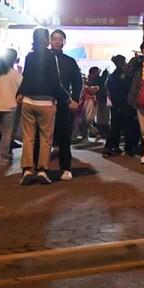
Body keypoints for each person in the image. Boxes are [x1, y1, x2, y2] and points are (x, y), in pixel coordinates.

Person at [16, 27, 68, 184]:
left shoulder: (29, 56)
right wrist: (66, 98)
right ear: (46, 40)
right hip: (46, 102)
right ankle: (42, 171)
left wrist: (20, 92)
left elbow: (25, 77)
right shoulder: (51, 57)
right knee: (45, 138)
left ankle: (27, 170)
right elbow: (55, 81)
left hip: (28, 101)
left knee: (28, 138)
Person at [49, 30, 83, 180]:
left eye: (60, 39)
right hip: (45, 102)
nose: (57, 42)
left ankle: (66, 168)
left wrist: (74, 99)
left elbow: (77, 82)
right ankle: (40, 168)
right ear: (50, 41)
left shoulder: (70, 61)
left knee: (64, 137)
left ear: (64, 42)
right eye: (54, 39)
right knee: (43, 137)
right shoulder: (43, 59)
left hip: (64, 103)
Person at [103, 55, 137, 156]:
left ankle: (111, 147)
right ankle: (129, 148)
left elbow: (109, 89)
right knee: (128, 127)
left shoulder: (112, 75)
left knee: (115, 126)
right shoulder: (126, 75)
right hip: (126, 104)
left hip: (116, 104)